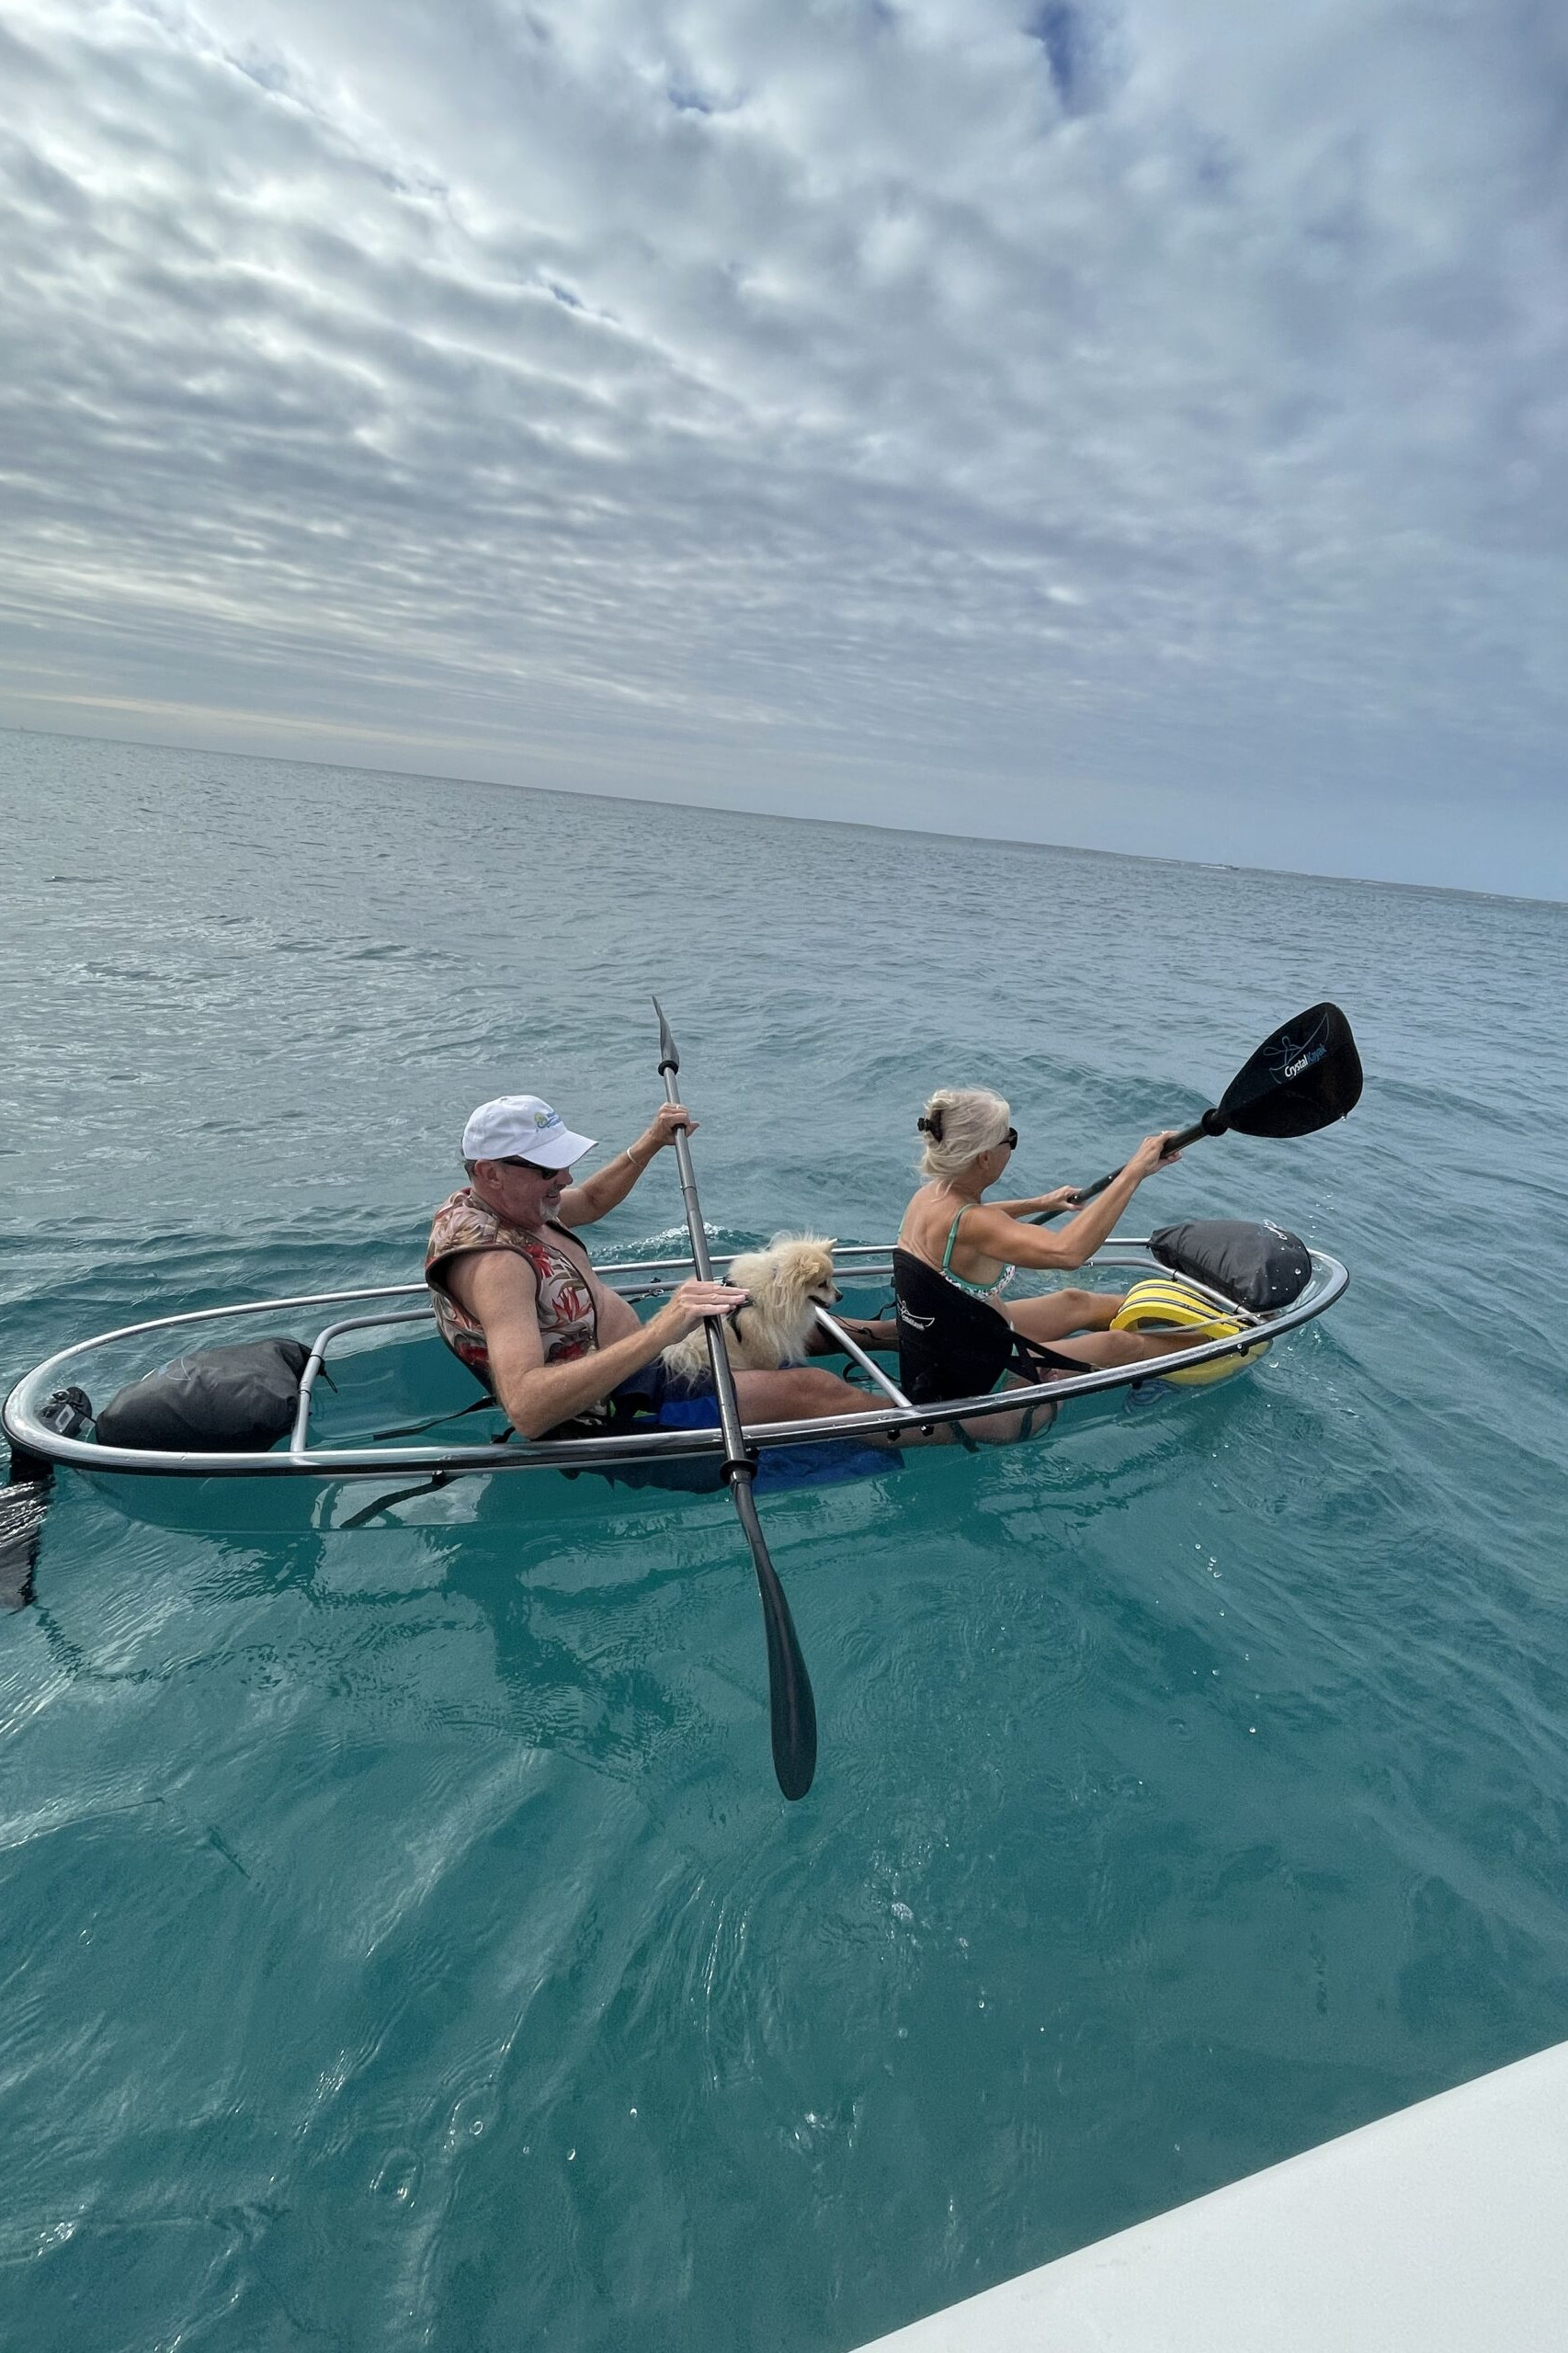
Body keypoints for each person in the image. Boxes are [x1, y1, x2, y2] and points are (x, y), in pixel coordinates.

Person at [426, 1093, 893, 1443]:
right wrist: (663, 1329)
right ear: (489, 1172)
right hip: (621, 1408)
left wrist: (650, 1143)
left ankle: (901, 1333)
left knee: (772, 1319)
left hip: (639, 1363)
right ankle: (949, 1425)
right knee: (811, 1388)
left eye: (564, 1163)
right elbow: (528, 1411)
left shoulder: (502, 1206)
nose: (565, 1179)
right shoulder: (496, 1265)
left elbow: (588, 1201)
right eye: (549, 1170)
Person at [893, 1086, 1202, 1411]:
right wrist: (1134, 1171)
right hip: (979, 1372)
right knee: (1120, 1344)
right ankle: (1217, 1343)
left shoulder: (930, 1197)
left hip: (956, 1342)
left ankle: (1184, 1316)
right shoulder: (974, 1223)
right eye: (1009, 1138)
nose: (1012, 1145)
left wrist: (1038, 1203)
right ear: (985, 1157)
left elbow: (970, 1222)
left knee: (1074, 1301)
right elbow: (1068, 1252)